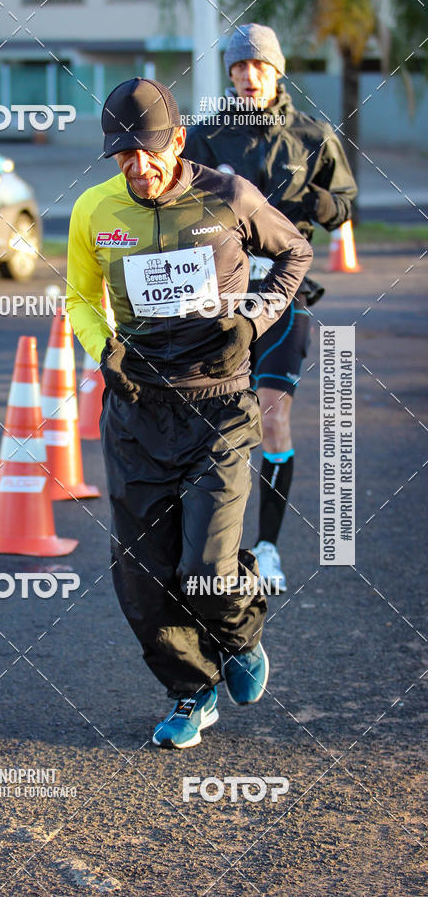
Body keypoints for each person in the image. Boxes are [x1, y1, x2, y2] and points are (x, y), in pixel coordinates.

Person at [66, 77, 312, 748]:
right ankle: (189, 693)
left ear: (176, 141)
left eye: (149, 151)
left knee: (204, 568)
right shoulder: (94, 210)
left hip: (219, 404)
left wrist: (257, 319)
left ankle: (240, 633)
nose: (137, 167)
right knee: (143, 576)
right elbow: (81, 298)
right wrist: (103, 348)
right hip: (137, 408)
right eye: (123, 156)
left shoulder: (227, 196)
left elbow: (294, 252)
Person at [183, 24, 357, 591]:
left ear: (277, 70)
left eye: (259, 66)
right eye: (239, 68)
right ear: (229, 74)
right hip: (219, 297)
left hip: (285, 293)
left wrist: (319, 200)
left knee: (274, 415)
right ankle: (218, 548)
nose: (249, 76)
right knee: (213, 419)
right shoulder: (206, 135)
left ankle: (268, 548)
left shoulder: (313, 135)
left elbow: (344, 206)